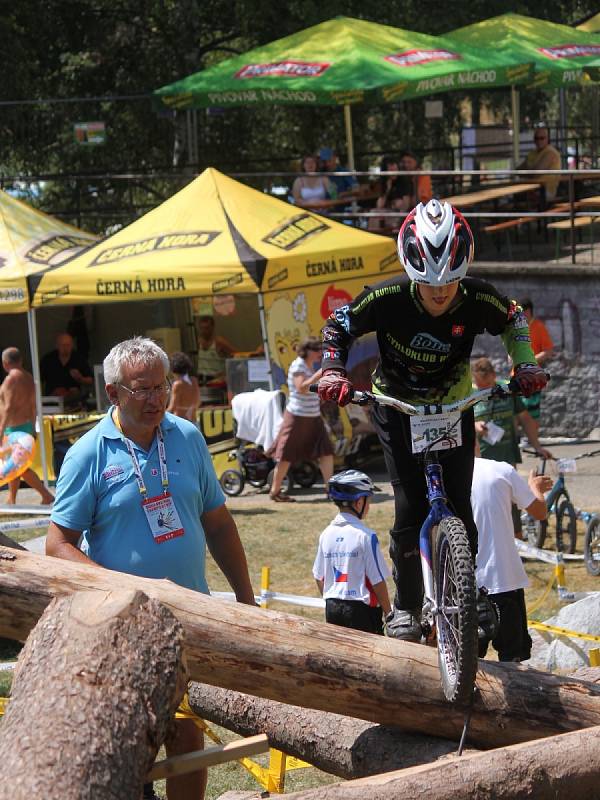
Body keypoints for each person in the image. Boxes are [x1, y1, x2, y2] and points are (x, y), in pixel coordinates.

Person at [318, 198, 548, 641]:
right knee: (409, 508)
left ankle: (472, 590)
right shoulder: (386, 298)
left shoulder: (478, 298)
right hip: (396, 406)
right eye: (428, 284)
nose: (440, 293)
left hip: (452, 405)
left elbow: (514, 320)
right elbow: (338, 325)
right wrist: (332, 370)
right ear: (411, 273)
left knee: (461, 504)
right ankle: (404, 607)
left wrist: (524, 365)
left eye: (450, 282)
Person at [46, 336, 256, 800]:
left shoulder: (187, 436)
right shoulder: (88, 454)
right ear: (114, 394)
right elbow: (58, 545)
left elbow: (218, 523)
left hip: (188, 620)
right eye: (142, 390)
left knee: (185, 733)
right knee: (127, 741)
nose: (157, 398)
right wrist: (116, 591)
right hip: (121, 629)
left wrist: (246, 602)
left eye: (162, 387)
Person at [471, 455, 552, 662]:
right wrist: (535, 488)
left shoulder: (439, 476)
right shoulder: (500, 470)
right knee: (514, 655)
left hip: (462, 584)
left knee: (467, 659)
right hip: (503, 577)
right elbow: (540, 512)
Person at [313, 470, 391, 635]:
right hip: (362, 611)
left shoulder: (325, 534)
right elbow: (377, 580)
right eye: (368, 501)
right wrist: (388, 613)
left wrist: (332, 597)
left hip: (332, 608)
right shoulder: (366, 536)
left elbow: (319, 577)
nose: (368, 506)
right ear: (358, 502)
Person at [268, 336, 334, 503]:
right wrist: (320, 374)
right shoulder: (298, 365)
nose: (320, 352)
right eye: (316, 349)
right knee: (286, 455)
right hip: (297, 417)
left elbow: (308, 389)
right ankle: (275, 491)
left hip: (313, 417)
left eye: (321, 349)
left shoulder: (309, 366)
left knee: (326, 451)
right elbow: (302, 388)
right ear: (307, 351)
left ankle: (330, 490)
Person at [0, 347, 54, 505]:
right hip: (27, 426)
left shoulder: (11, 380)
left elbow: (8, 407)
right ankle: (12, 499)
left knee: (20, 467)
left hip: (14, 428)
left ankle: (46, 495)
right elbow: (33, 406)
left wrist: (1, 429)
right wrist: (33, 426)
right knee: (16, 465)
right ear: (20, 360)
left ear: (5, 363)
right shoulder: (29, 378)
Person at [520, 297, 554, 437]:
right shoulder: (518, 327)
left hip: (534, 376)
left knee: (532, 409)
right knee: (519, 408)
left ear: (528, 311)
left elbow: (548, 351)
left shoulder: (539, 327)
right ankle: (521, 437)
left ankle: (531, 437)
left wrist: (530, 360)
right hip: (517, 375)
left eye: (522, 311)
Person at [40, 332, 93, 399]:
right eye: (63, 345)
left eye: (68, 345)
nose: (65, 348)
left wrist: (80, 378)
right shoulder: (47, 360)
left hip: (74, 399)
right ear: (57, 345)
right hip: (52, 400)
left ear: (72, 345)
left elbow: (91, 380)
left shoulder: (79, 359)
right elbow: (37, 381)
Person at [368, 155, 412, 232]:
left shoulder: (404, 181)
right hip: (386, 212)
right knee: (373, 213)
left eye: (394, 167)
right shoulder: (385, 183)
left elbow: (406, 204)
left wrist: (397, 204)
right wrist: (387, 189)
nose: (393, 170)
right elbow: (379, 205)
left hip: (399, 213)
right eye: (390, 168)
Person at [518, 125, 561, 204]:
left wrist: (528, 171)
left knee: (518, 197)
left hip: (545, 190)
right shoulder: (533, 153)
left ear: (547, 139)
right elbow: (518, 171)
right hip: (530, 188)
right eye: (536, 138)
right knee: (515, 196)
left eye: (542, 138)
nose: (539, 141)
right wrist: (531, 171)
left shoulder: (551, 152)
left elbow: (536, 172)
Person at [195, 315, 236, 385]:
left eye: (207, 328)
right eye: (202, 328)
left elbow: (237, 356)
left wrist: (225, 372)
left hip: (216, 381)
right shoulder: (198, 341)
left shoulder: (219, 342)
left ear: (212, 327)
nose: (204, 331)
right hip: (201, 380)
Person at [168, 351, 200, 422]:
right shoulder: (194, 381)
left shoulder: (177, 384)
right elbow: (198, 402)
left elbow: (172, 408)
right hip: (194, 422)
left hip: (181, 423)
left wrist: (161, 416)